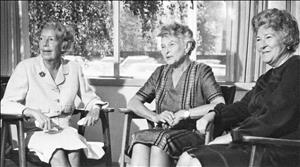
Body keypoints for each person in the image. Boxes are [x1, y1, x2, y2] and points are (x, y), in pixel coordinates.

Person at [177, 8, 300, 167]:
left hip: (281, 149)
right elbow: (243, 107)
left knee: (197, 162)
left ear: (286, 38)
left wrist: (233, 136)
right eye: (258, 39)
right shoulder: (267, 77)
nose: (261, 45)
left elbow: (275, 117)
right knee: (186, 156)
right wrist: (213, 114)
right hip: (257, 143)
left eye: (268, 37)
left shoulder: (296, 68)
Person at [1, 22, 108, 167]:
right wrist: (31, 111)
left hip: (65, 131)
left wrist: (95, 109)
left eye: (51, 39)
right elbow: (5, 104)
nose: (44, 44)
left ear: (63, 45)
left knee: (75, 150)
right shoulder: (26, 67)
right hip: (34, 134)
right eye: (41, 39)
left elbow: (91, 98)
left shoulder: (73, 68)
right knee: (57, 153)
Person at [126, 22, 225, 167]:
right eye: (163, 47)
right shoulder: (160, 73)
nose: (166, 51)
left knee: (159, 143)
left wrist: (185, 113)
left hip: (192, 133)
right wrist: (154, 116)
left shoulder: (201, 71)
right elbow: (133, 102)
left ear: (187, 46)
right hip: (163, 132)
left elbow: (220, 104)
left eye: (171, 45)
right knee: (139, 142)